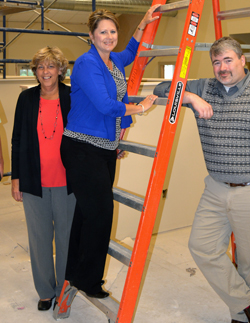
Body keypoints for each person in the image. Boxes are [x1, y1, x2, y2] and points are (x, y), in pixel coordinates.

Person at [154, 37, 250, 323]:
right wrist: (191, 97)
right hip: (216, 189)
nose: (222, 67)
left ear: (243, 61)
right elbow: (161, 88)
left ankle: (242, 316)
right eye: (217, 62)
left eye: (228, 60)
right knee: (201, 246)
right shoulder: (204, 88)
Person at [60, 6, 159, 300]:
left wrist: (142, 25)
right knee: (101, 215)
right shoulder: (87, 63)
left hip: (103, 149)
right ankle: (89, 280)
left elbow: (130, 51)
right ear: (91, 36)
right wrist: (141, 107)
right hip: (81, 148)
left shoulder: (113, 59)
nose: (108, 36)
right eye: (102, 32)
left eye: (112, 31)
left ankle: (74, 272)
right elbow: (106, 106)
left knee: (86, 214)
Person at [11, 46, 76, 311]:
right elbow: (17, 139)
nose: (45, 71)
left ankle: (64, 288)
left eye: (51, 66)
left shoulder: (73, 96)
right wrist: (16, 178)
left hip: (67, 181)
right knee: (39, 238)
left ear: (61, 70)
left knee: (66, 237)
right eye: (40, 66)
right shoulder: (26, 99)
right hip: (33, 181)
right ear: (35, 71)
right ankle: (45, 291)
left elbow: (88, 131)